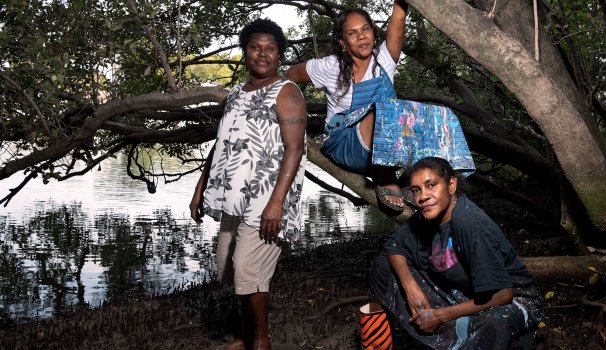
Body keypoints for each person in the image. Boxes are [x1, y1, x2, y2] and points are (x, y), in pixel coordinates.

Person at [286, 1, 475, 213]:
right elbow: (290, 76)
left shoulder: (384, 58)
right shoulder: (330, 66)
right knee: (382, 111)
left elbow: (399, 19)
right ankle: (384, 176)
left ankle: (440, 180)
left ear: (373, 32)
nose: (362, 37)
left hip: (389, 147)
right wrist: (293, 114)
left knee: (440, 116)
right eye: (352, 33)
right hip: (345, 144)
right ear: (342, 41)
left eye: (366, 29)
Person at [189, 18, 307, 350]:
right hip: (233, 198)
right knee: (229, 266)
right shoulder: (237, 92)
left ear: (280, 55)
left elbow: (295, 149)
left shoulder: (287, 93)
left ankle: (262, 342)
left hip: (266, 199)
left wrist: (276, 203)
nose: (262, 54)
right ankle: (244, 336)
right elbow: (222, 143)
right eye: (255, 47)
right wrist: (201, 187)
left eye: (270, 48)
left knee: (248, 269)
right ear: (245, 52)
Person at [369, 157, 544, 349]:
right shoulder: (426, 217)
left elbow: (503, 294)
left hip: (511, 300)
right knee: (384, 266)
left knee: (496, 324)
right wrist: (411, 287)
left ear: (451, 185)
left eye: (431, 185)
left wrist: (440, 315)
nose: (422, 197)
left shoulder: (468, 222)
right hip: (464, 291)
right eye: (416, 190)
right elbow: (394, 245)